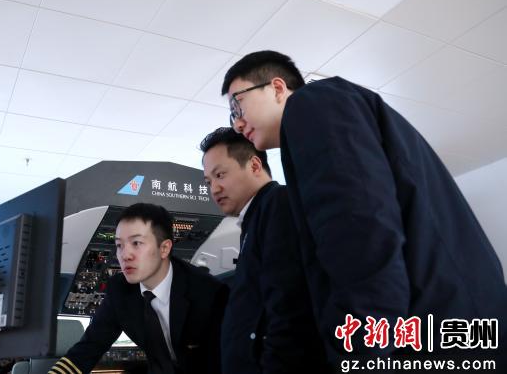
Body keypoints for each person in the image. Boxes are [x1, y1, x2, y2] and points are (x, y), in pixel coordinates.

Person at [221, 50, 507, 367]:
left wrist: (360, 357)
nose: (238, 124)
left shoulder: (313, 104)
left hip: (433, 336)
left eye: (238, 105)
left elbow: (360, 235)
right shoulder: (330, 112)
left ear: (277, 88)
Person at [200, 127, 327, 373]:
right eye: (208, 181)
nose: (214, 189)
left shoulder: (278, 204)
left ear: (255, 165)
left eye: (220, 175)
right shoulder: (255, 219)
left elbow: (288, 305)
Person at [48, 202, 229, 374]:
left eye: (136, 243)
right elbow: (87, 350)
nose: (125, 255)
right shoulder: (120, 290)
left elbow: (231, 359)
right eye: (119, 245)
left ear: (164, 248)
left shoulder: (209, 293)